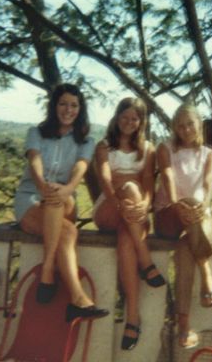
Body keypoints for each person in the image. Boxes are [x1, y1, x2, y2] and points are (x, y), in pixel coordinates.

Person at [14, 83, 109, 322]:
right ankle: (77, 298)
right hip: (31, 198)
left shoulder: (86, 141)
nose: (68, 109)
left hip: (65, 199)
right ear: (54, 106)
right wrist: (42, 186)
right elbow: (35, 162)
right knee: (67, 232)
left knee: (57, 198)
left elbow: (80, 167)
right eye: (63, 104)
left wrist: (67, 189)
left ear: (80, 109)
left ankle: (48, 271)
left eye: (74, 105)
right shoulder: (36, 132)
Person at [93, 97, 166, 351]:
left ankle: (132, 318)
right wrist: (122, 199)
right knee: (129, 186)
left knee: (127, 238)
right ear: (117, 117)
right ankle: (145, 260)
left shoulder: (148, 149)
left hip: (134, 215)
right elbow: (104, 180)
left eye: (134, 118)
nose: (129, 122)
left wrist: (144, 206)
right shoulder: (104, 146)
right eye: (125, 117)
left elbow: (148, 185)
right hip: (109, 208)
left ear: (141, 121)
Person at [154, 104, 212, 349]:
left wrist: (199, 206)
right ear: (174, 128)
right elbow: (168, 177)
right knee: (188, 205)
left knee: (184, 251)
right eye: (180, 125)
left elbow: (208, 183)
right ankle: (206, 271)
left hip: (199, 216)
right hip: (168, 215)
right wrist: (176, 204)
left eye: (190, 124)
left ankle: (184, 327)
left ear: (198, 124)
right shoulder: (166, 148)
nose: (185, 129)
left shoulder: (209, 154)